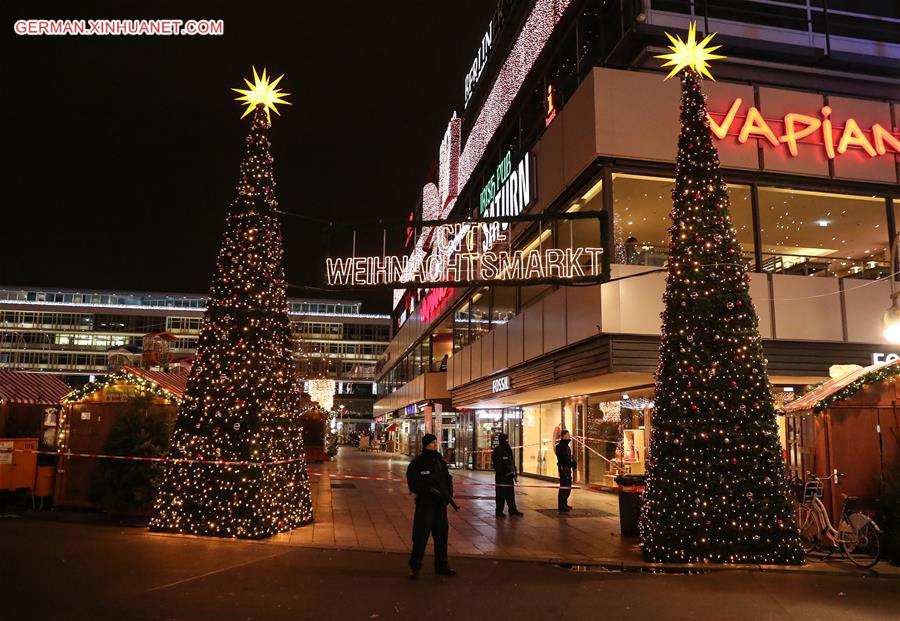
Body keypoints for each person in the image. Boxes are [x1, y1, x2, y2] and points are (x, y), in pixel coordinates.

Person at [406, 433, 459, 578]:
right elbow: (413, 483)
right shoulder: (418, 462)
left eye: (436, 442)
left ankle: (441, 565)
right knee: (420, 536)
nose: (435, 444)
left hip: (440, 505)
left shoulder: (440, 462)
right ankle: (415, 567)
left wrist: (448, 495)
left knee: (442, 536)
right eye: (432, 442)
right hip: (425, 505)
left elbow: (447, 480)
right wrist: (428, 490)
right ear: (425, 444)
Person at [491, 433, 522, 518]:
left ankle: (512, 509)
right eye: (506, 439)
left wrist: (514, 472)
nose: (507, 441)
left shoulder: (508, 449)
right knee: (501, 494)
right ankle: (499, 511)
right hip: (502, 476)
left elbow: (511, 461)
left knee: (510, 494)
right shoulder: (498, 450)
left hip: (509, 475)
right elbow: (497, 463)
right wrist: (501, 472)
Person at [555, 430, 576, 512]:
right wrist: (569, 463)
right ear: (563, 436)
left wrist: (573, 462)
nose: (569, 436)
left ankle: (565, 503)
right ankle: (561, 505)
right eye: (567, 435)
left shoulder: (567, 446)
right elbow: (563, 458)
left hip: (567, 468)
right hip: (564, 468)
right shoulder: (560, 446)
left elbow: (570, 456)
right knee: (564, 486)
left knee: (568, 486)